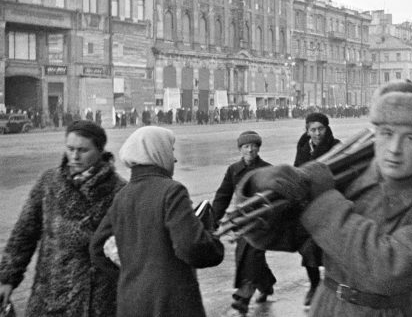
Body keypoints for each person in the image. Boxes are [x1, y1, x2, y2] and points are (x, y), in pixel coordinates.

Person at [253, 80, 412, 316]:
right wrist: (263, 185)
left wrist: (323, 200)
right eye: (386, 133)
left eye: (410, 138)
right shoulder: (350, 180)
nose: (394, 148)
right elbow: (280, 237)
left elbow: (385, 270)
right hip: (327, 307)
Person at [90, 126, 224, 317]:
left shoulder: (122, 196)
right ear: (157, 152)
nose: (175, 158)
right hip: (171, 304)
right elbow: (192, 247)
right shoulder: (172, 191)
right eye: (171, 150)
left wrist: (130, 276)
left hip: (131, 303)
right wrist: (213, 243)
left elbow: (97, 249)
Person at [0, 120, 126, 316]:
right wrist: (7, 278)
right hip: (50, 293)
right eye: (70, 148)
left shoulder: (119, 191)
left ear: (100, 151)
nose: (74, 156)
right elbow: (24, 233)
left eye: (83, 150)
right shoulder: (49, 183)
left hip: (98, 299)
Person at [212, 130, 277, 314]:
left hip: (262, 222)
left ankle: (244, 296)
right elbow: (223, 195)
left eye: (254, 146)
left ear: (258, 148)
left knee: (253, 255)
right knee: (245, 254)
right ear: (240, 149)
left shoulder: (267, 168)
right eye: (246, 146)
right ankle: (266, 284)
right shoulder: (233, 170)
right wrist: (215, 219)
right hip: (241, 221)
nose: (250, 150)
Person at [293, 113, 340, 306]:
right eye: (313, 129)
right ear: (307, 130)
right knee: (308, 248)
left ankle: (334, 285)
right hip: (309, 205)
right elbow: (297, 170)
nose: (317, 133)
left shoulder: (337, 147)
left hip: (331, 203)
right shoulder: (303, 148)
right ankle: (314, 285)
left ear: (327, 129)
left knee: (332, 249)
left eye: (321, 128)